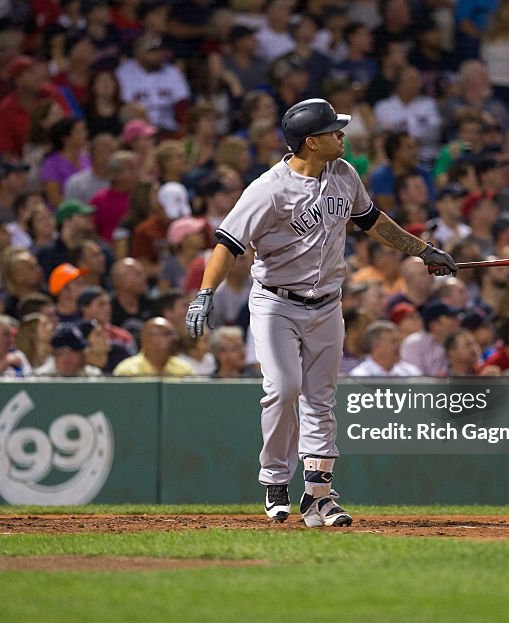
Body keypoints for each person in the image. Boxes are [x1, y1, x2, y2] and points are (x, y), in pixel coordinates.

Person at [185, 98, 457, 528]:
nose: (341, 135)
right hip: (276, 301)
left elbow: (374, 222)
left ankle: (319, 497)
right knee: (284, 387)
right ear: (311, 142)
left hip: (327, 302)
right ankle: (275, 479)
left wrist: (422, 250)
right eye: (333, 131)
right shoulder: (268, 188)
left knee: (321, 397)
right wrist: (204, 293)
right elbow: (228, 243)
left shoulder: (345, 175)